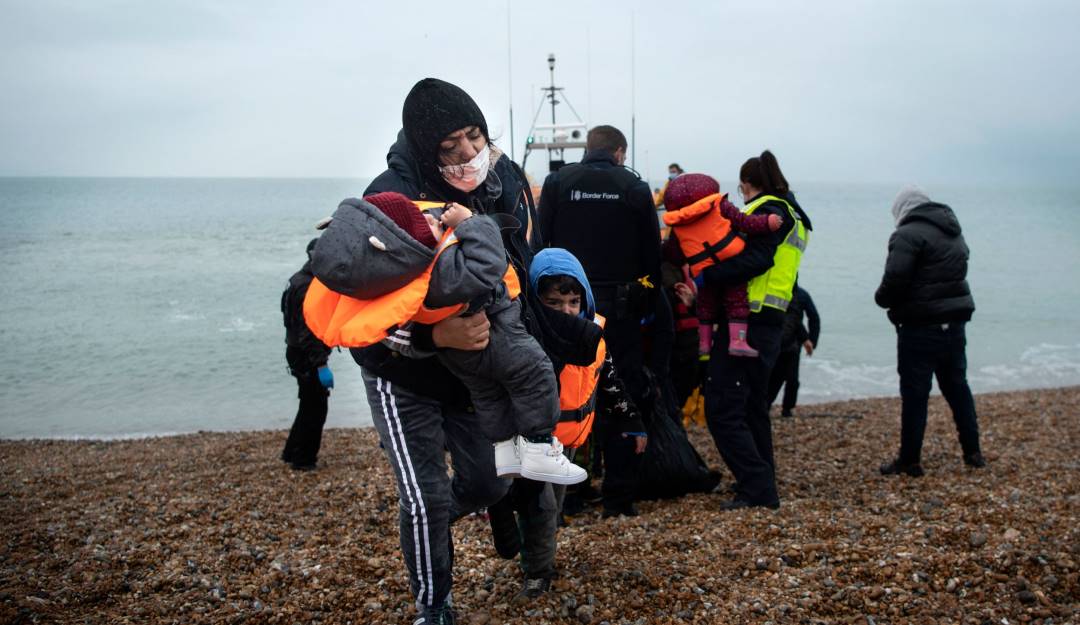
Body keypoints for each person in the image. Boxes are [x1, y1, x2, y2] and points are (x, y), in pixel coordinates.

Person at [311, 77, 546, 625]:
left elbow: (521, 270)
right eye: (449, 145)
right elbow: (356, 318)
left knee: (487, 482)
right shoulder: (387, 198)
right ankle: (434, 606)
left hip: (471, 374)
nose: (468, 152)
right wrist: (432, 337)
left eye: (474, 135)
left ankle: (437, 522)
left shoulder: (503, 179)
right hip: (399, 372)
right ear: (425, 148)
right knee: (425, 497)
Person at [308, 191, 585, 485]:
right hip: (497, 334)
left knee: (488, 392)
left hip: (459, 355)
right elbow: (489, 262)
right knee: (535, 373)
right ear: (408, 246)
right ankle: (540, 446)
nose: (432, 218)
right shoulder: (444, 271)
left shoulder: (396, 280)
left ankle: (506, 451)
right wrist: (470, 222)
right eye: (424, 223)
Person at [700, 150, 811, 511]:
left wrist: (706, 276)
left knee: (722, 409)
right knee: (751, 408)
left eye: (741, 188)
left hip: (747, 321)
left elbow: (756, 260)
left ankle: (758, 487)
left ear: (747, 184)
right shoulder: (794, 214)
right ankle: (762, 480)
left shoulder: (767, 211)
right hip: (771, 322)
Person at [538, 125, 662, 403]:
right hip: (620, 307)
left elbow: (539, 242)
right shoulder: (635, 187)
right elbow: (653, 256)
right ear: (619, 153)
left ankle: (575, 427)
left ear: (589, 148)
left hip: (568, 303)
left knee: (568, 377)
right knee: (623, 381)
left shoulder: (557, 182)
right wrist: (646, 305)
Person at [875, 186, 985, 477]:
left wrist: (881, 299)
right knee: (957, 388)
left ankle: (910, 460)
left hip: (920, 327)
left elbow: (895, 278)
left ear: (903, 209)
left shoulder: (906, 235)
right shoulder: (953, 232)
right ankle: (973, 452)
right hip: (954, 324)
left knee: (915, 394)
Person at [661, 173, 784, 357]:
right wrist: (767, 222)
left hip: (703, 271)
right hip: (731, 261)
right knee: (737, 302)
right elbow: (744, 222)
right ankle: (737, 341)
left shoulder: (678, 225)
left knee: (705, 305)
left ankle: (704, 344)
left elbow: (675, 255)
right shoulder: (719, 204)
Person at [280, 238, 334, 471]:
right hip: (306, 356)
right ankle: (304, 459)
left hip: (296, 351)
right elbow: (307, 331)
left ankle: (291, 451)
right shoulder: (308, 287)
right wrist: (321, 365)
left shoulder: (297, 280)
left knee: (307, 403)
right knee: (316, 407)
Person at [768, 285, 820, 417]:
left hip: (792, 345)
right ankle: (764, 407)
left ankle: (787, 409)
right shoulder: (776, 292)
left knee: (792, 380)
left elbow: (814, 318)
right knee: (771, 379)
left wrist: (812, 341)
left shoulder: (802, 295)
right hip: (773, 342)